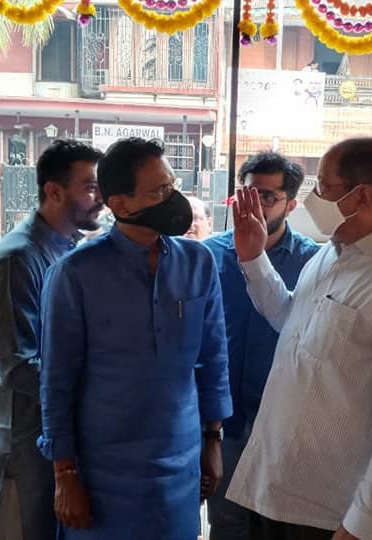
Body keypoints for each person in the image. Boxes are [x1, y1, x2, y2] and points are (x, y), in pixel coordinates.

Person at [226, 137, 372, 540]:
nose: (313, 198)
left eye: (323, 187)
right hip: (275, 484)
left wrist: (363, 520)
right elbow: (290, 321)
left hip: (329, 511)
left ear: (362, 196)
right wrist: (254, 258)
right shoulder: (332, 252)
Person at [37, 137, 232, 539]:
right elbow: (56, 381)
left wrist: (213, 441)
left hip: (181, 464)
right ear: (121, 204)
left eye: (172, 185)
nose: (173, 199)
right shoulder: (75, 274)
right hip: (102, 473)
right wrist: (64, 473)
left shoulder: (198, 262)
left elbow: (214, 358)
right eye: (160, 191)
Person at [0, 140, 104, 539]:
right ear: (54, 191)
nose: (100, 199)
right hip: (24, 446)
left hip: (53, 437)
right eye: (90, 188)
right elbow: (17, 365)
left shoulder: (68, 252)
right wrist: (97, 391)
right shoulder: (18, 258)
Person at [202, 152, 320, 540]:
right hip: (225, 419)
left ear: (292, 204)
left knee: (279, 524)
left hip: (284, 420)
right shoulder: (209, 255)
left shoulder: (313, 262)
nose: (254, 205)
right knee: (227, 523)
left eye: (268, 197)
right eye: (248, 194)